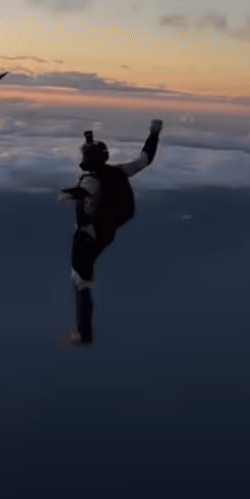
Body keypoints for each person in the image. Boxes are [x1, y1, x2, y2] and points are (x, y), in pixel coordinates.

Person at [59, 119, 163, 345]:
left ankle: (83, 333)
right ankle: (83, 326)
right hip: (106, 233)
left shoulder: (91, 181)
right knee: (84, 277)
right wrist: (153, 134)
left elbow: (80, 192)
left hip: (87, 237)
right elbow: (145, 160)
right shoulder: (119, 172)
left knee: (80, 281)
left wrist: (65, 194)